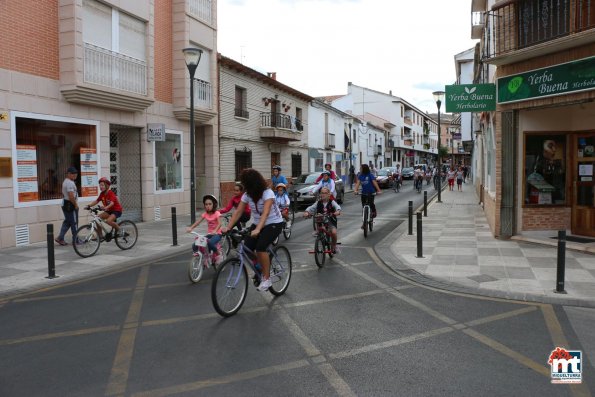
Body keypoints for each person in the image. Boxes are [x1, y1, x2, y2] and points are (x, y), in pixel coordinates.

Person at [221, 168, 284, 292]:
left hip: (274, 223)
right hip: (257, 223)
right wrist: (228, 228)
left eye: (247, 185)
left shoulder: (268, 193)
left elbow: (265, 213)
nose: (245, 188)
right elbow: (238, 211)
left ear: (254, 184)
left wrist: (258, 229)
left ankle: (266, 279)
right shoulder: (247, 194)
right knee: (247, 248)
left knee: (260, 247)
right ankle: (260, 265)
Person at [186, 195, 224, 265]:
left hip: (217, 234)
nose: (208, 206)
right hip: (209, 234)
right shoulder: (205, 214)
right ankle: (202, 256)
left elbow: (220, 224)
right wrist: (191, 228)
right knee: (195, 244)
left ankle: (219, 254)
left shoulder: (217, 213)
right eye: (206, 204)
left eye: (210, 204)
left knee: (210, 243)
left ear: (214, 204)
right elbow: (198, 222)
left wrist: (215, 230)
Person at [303, 186, 341, 254]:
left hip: (330, 221)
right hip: (320, 221)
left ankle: (334, 246)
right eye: (322, 193)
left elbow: (337, 207)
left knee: (334, 233)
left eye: (325, 193)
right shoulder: (318, 202)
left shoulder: (331, 202)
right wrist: (307, 212)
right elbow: (311, 208)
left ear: (329, 194)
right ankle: (319, 233)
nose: (323, 194)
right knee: (319, 220)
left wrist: (337, 211)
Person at [55, 166, 79, 246]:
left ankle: (60, 238)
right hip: (70, 204)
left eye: (76, 173)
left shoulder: (67, 181)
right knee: (74, 222)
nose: (75, 175)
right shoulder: (69, 183)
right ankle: (76, 240)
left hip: (66, 203)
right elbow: (71, 196)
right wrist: (75, 205)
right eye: (73, 173)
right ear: (68, 174)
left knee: (68, 222)